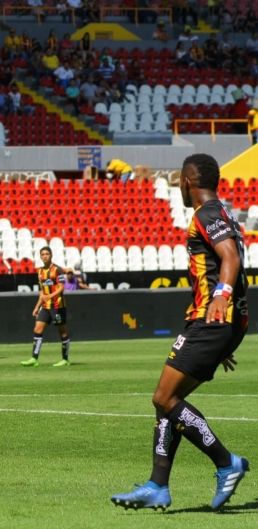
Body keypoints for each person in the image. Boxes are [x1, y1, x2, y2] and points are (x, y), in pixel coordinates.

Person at [111, 153, 250, 512]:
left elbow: (231, 258)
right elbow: (233, 262)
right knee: (167, 403)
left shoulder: (206, 213)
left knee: (163, 398)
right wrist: (228, 331)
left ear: (188, 180)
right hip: (217, 323)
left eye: (178, 180)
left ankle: (226, 462)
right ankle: (158, 484)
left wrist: (221, 302)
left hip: (210, 318)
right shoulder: (220, 212)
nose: (177, 186)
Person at [21, 246, 70, 367]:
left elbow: (61, 287)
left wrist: (50, 296)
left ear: (51, 255)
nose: (45, 256)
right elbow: (42, 292)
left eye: (47, 254)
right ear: (40, 256)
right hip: (46, 306)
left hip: (58, 306)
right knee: (37, 329)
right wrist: (37, 307)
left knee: (62, 332)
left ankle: (65, 359)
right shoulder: (40, 271)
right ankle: (34, 358)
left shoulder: (57, 270)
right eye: (42, 254)